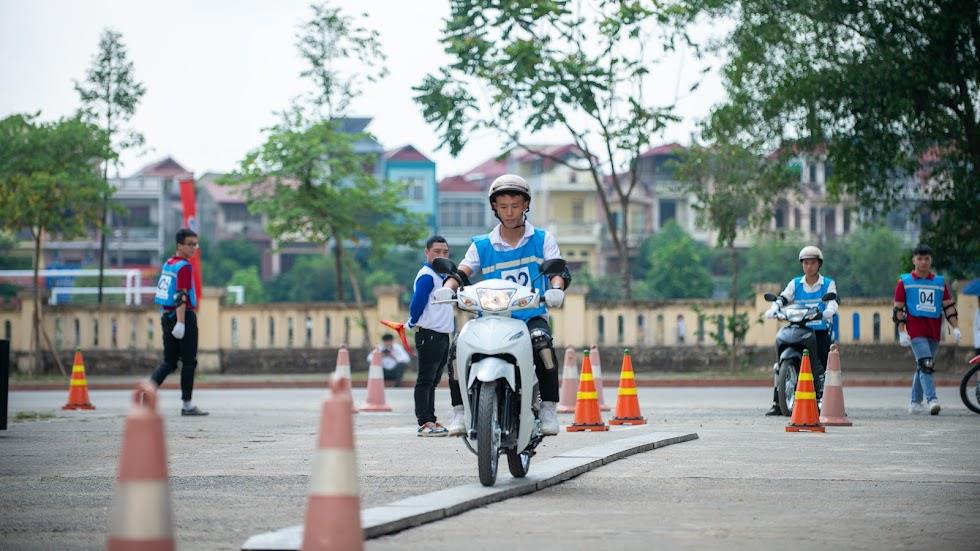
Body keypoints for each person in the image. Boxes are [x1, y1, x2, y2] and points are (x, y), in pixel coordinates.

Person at [436, 174, 571, 436]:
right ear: (494, 207)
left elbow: (559, 270)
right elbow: (464, 271)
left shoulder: (542, 239)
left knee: (542, 342)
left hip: (530, 315)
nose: (509, 212)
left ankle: (548, 408)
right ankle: (460, 411)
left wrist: (556, 289)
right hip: (490, 317)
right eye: (503, 206)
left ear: (526, 206)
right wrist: (447, 288)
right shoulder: (482, 244)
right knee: (456, 349)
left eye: (515, 205)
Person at [763, 245, 839, 416]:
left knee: (821, 362)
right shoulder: (795, 283)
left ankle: (823, 399)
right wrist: (774, 307)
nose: (808, 266)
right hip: (798, 326)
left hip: (818, 328)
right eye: (805, 263)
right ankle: (777, 401)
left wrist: (828, 311)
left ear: (819, 264)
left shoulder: (827, 284)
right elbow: (783, 297)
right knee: (779, 363)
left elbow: (833, 300)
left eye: (812, 262)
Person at [894, 243, 961, 415]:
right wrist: (902, 331)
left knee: (923, 366)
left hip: (934, 330)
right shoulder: (905, 282)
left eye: (926, 259)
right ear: (914, 260)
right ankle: (932, 400)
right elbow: (898, 309)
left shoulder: (939, 282)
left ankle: (915, 402)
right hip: (915, 330)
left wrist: (955, 328)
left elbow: (948, 307)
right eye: (920, 258)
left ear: (930, 260)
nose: (923, 262)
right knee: (926, 363)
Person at [150, 228, 208, 416]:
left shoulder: (169, 263)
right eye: (190, 244)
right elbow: (181, 295)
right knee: (189, 362)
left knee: (170, 362)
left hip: (166, 315)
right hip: (182, 316)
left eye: (195, 244)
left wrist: (172, 319)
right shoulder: (184, 266)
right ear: (179, 245)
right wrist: (181, 323)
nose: (194, 248)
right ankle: (187, 405)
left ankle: (146, 395)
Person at [406, 236, 456, 436]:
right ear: (427, 253)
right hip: (429, 335)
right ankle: (424, 422)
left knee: (434, 380)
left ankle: (432, 419)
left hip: (442, 335)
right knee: (425, 379)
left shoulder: (444, 277)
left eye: (445, 252)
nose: (441, 255)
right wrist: (412, 320)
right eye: (436, 251)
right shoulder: (427, 276)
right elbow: (417, 303)